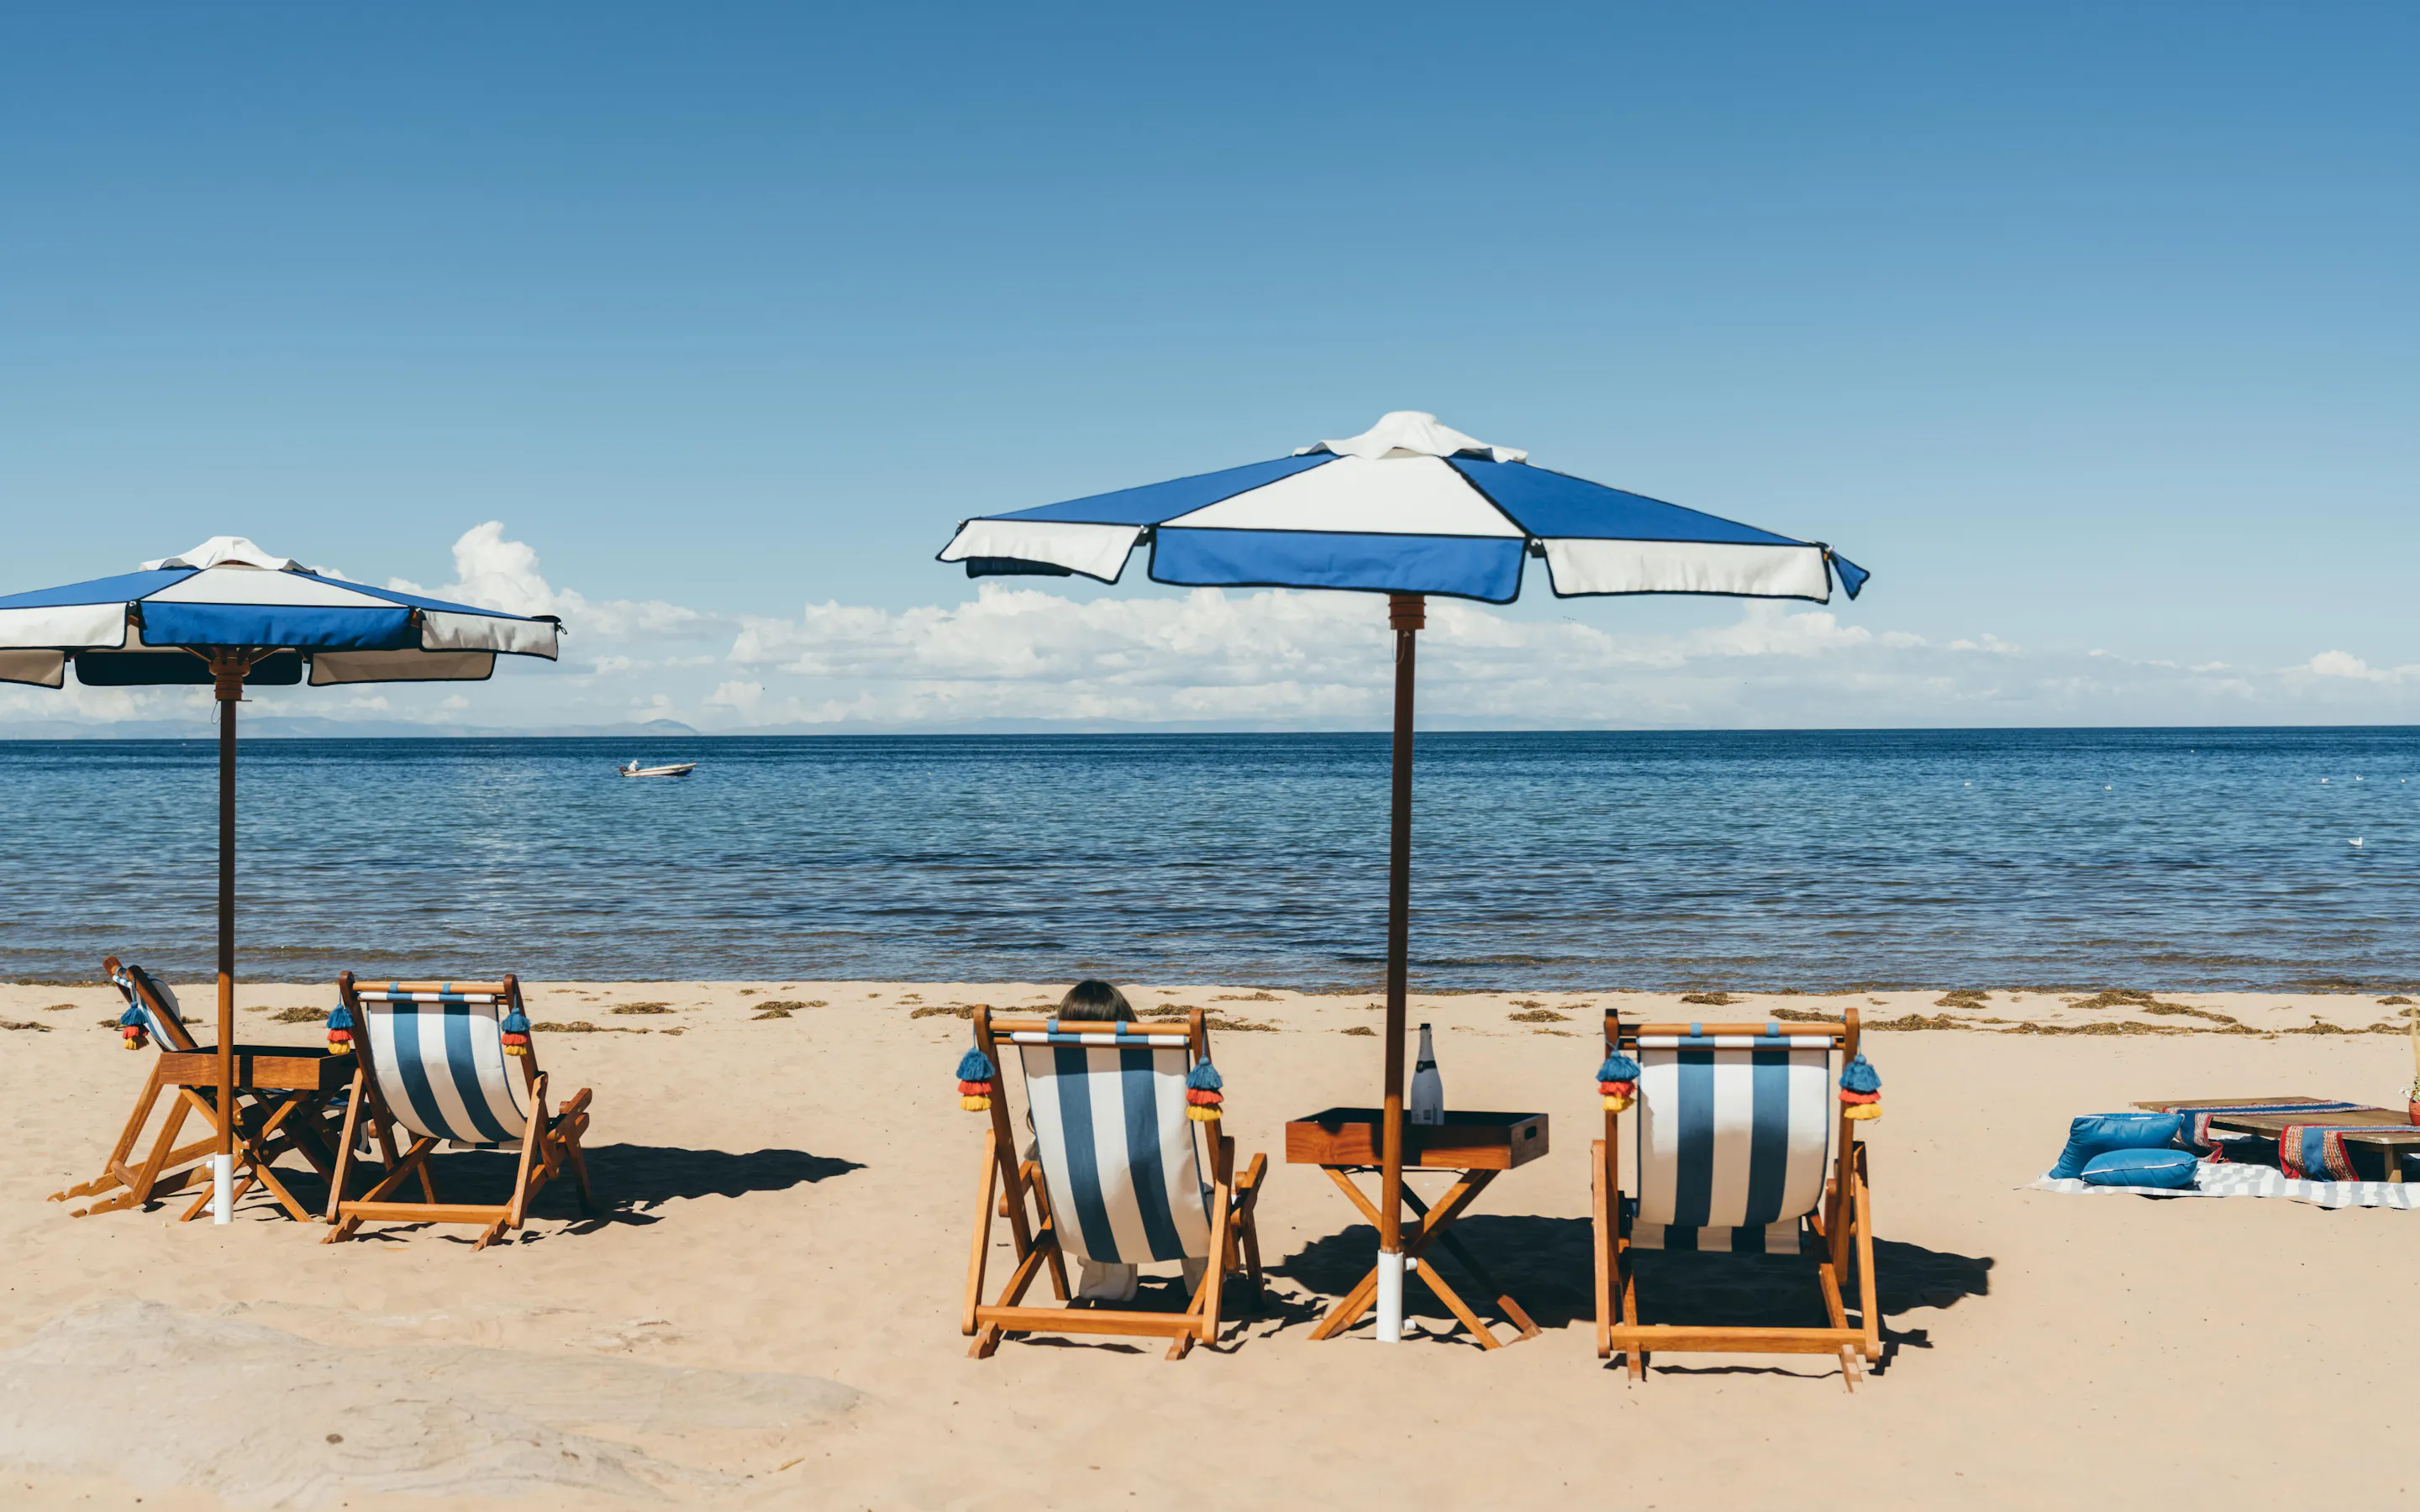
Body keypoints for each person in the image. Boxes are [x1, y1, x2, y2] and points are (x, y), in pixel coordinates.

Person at [1034, 979, 1207, 1302]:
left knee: (1098, 1185)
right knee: (1201, 1198)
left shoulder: (1055, 1082)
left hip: (1078, 1209)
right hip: (1165, 1209)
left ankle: (1105, 1288)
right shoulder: (1150, 1077)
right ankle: (1207, 1289)